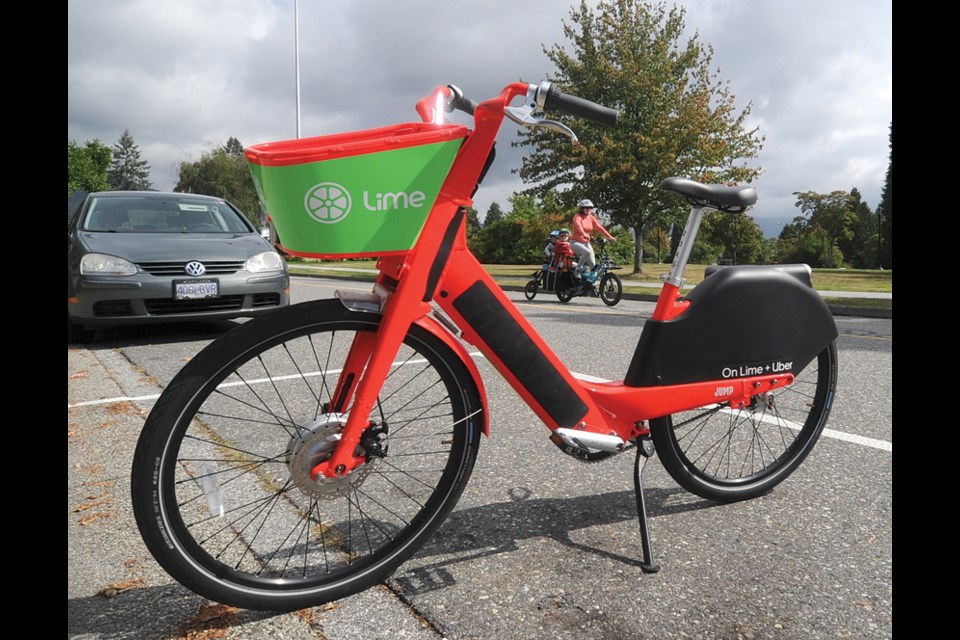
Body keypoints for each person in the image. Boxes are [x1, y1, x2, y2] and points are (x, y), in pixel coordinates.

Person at [571, 199, 615, 270]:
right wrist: (584, 234)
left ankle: (592, 280)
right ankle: (578, 268)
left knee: (593, 265)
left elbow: (599, 228)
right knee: (587, 252)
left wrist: (610, 237)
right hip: (576, 242)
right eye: (587, 208)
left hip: (586, 243)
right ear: (582, 208)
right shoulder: (577, 216)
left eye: (591, 208)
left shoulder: (591, 217)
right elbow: (578, 226)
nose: (589, 209)